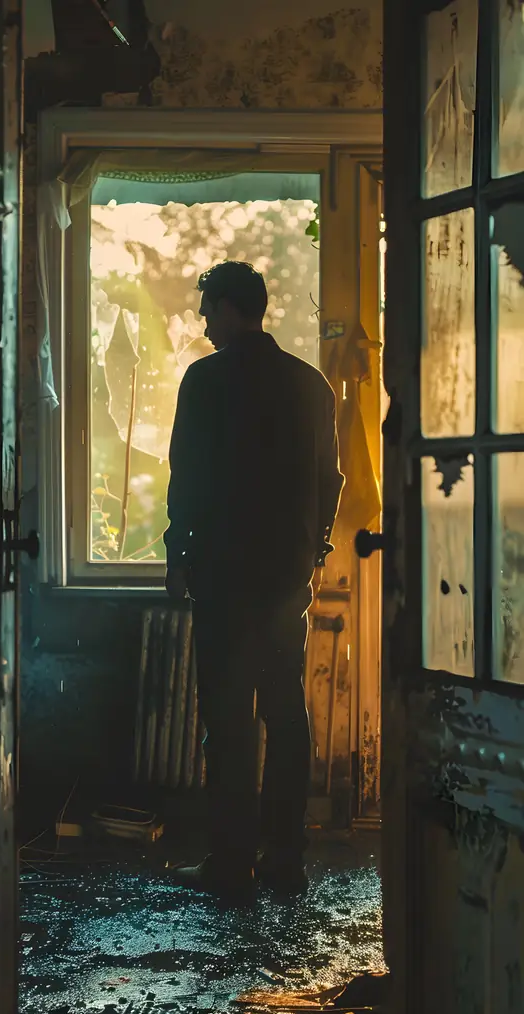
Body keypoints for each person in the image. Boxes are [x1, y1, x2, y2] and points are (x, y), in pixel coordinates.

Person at [164, 261, 344, 897]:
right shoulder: (309, 385)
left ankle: (231, 861)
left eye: (208, 311)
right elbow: (329, 480)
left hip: (222, 578)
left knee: (227, 720)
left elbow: (187, 478)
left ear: (231, 308)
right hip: (283, 580)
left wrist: (176, 556)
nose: (204, 325)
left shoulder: (206, 381)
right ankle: (286, 859)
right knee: (285, 716)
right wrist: (313, 550)